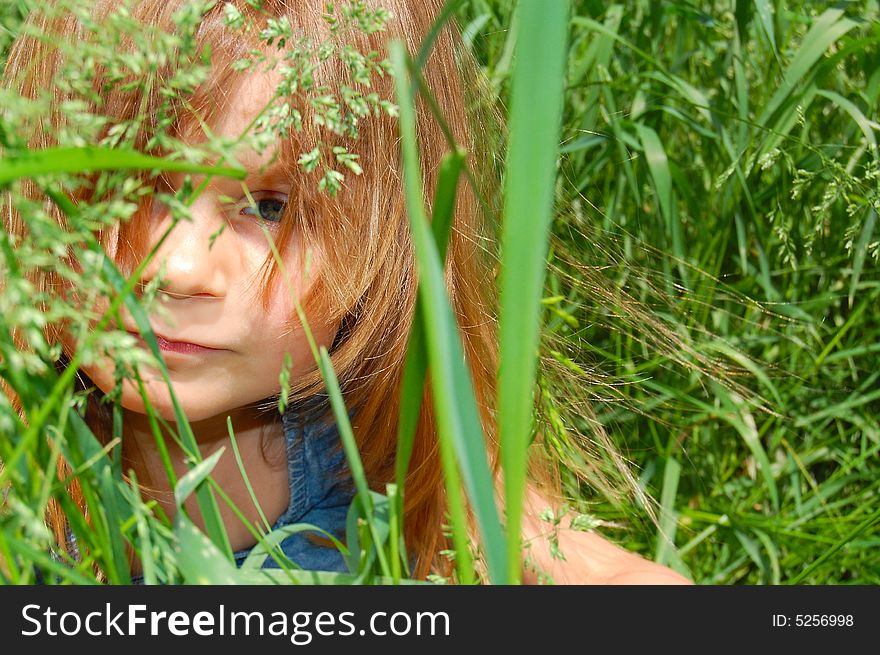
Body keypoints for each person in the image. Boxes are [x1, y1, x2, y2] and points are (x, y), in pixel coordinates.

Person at [1, 0, 690, 585]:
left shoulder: (390, 450)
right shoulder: (19, 454)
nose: (178, 267)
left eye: (271, 208)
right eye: (128, 179)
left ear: (393, 247)